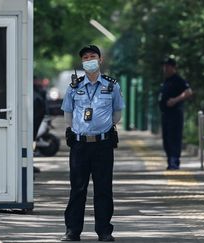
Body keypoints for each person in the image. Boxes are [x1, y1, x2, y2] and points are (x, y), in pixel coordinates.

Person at [60, 45, 125, 242]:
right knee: (78, 189)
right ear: (82, 62)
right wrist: (80, 129)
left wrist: (102, 127)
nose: (89, 60)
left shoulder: (112, 86)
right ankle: (72, 231)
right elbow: (68, 115)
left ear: (100, 59)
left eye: (92, 56)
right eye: (85, 57)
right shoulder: (74, 87)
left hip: (102, 145)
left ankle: (104, 231)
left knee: (103, 188)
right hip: (80, 145)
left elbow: (117, 115)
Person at [158, 57, 192, 170]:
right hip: (166, 114)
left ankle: (174, 160)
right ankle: (170, 160)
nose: (165, 68)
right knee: (166, 138)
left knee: (174, 137)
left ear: (173, 67)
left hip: (175, 114)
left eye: (167, 66)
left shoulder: (178, 80)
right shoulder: (166, 81)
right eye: (164, 66)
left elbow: (188, 92)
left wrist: (175, 100)